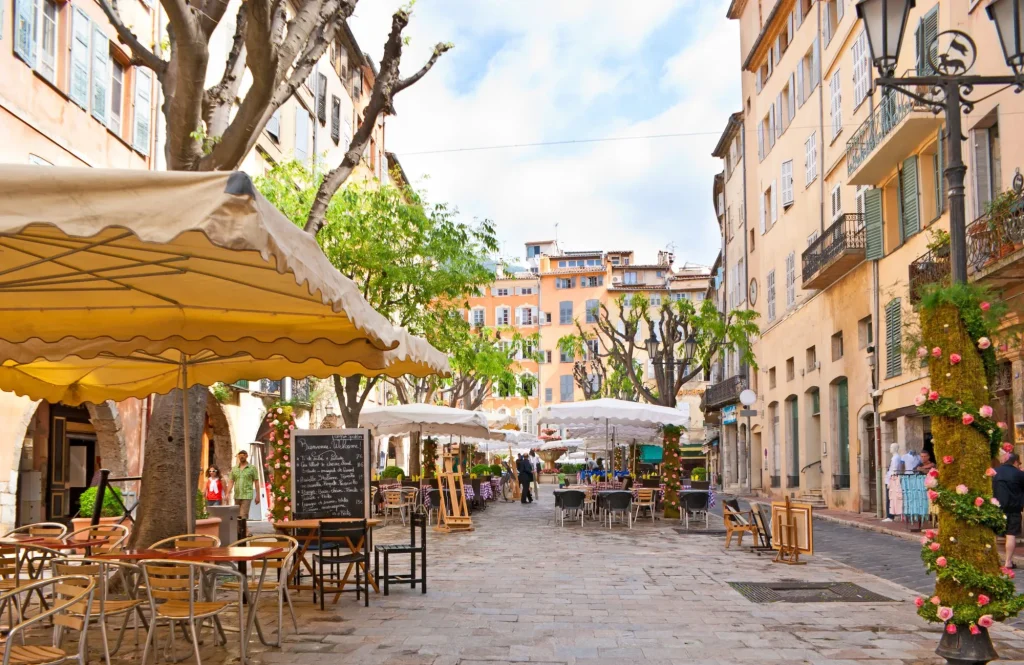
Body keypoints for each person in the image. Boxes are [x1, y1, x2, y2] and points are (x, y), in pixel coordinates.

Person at [994, 452, 1024, 569]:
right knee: (1011, 535)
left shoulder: (995, 472)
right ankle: (1008, 561)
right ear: (1015, 462)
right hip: (1014, 508)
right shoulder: (1018, 474)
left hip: (997, 508)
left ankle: (993, 559)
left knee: (994, 534)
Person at [227, 450, 260, 519]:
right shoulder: (234, 469)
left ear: (247, 456)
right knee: (237, 516)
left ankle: (242, 529)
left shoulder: (252, 468)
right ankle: (244, 529)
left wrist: (258, 496)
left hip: (247, 495)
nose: (242, 456)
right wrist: (227, 493)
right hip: (237, 495)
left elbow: (256, 481)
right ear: (238, 456)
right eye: (240, 455)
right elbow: (231, 481)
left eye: (244, 455)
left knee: (243, 515)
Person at [883, 444, 903, 522]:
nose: (890, 448)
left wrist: (890, 482)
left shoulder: (896, 458)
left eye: (891, 447)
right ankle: (890, 515)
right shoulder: (895, 457)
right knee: (890, 498)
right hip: (890, 479)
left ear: (895, 448)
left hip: (892, 480)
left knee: (890, 498)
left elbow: (894, 470)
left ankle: (890, 516)